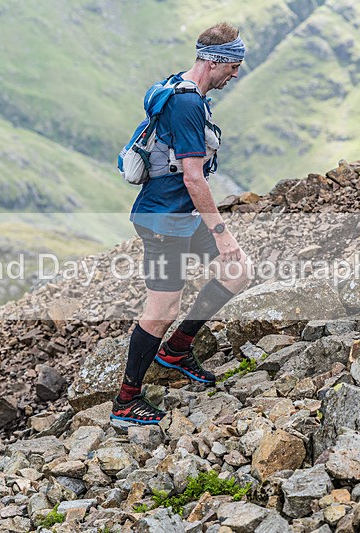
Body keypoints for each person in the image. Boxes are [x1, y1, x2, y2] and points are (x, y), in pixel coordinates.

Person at [111, 23, 252, 426]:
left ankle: (176, 350)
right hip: (163, 222)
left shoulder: (179, 86)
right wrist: (222, 234)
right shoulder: (188, 104)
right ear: (215, 61)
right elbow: (194, 177)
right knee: (162, 308)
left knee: (238, 270)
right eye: (234, 66)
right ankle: (125, 402)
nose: (236, 75)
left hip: (182, 217)